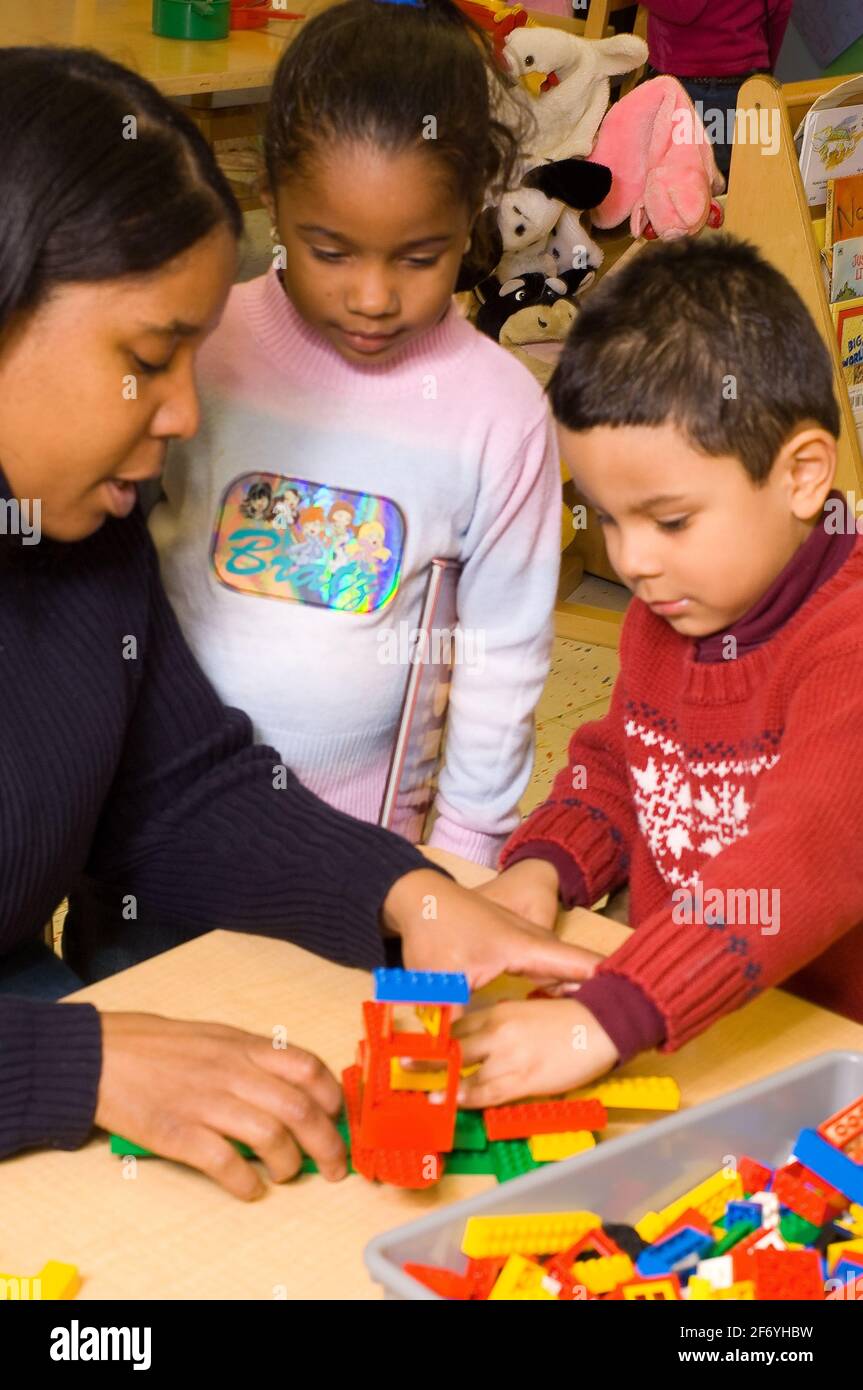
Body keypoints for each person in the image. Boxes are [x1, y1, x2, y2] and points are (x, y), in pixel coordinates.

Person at [0, 46, 595, 1196]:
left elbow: (180, 787)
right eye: (146, 357)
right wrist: (81, 1063)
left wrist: (415, 894)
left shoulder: (80, 523)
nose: (184, 408)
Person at [149, 0, 561, 869]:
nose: (372, 297)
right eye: (329, 250)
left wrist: (460, 854)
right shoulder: (205, 344)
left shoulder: (497, 411)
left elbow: (501, 660)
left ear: (472, 217)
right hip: (155, 833)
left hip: (362, 861)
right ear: (269, 196)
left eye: (419, 257)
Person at [455, 235, 863, 1106]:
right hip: (696, 1037)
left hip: (824, 1061)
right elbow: (624, 768)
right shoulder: (677, 607)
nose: (633, 561)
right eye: (605, 517)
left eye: (669, 520)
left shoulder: (849, 644)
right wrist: (545, 866)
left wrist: (607, 1015)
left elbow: (803, 853)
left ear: (800, 475)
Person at [641, 0, 793, 178]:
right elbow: (780, 10)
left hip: (686, 87)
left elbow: (682, 8)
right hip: (748, 85)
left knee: (677, 189)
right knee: (746, 188)